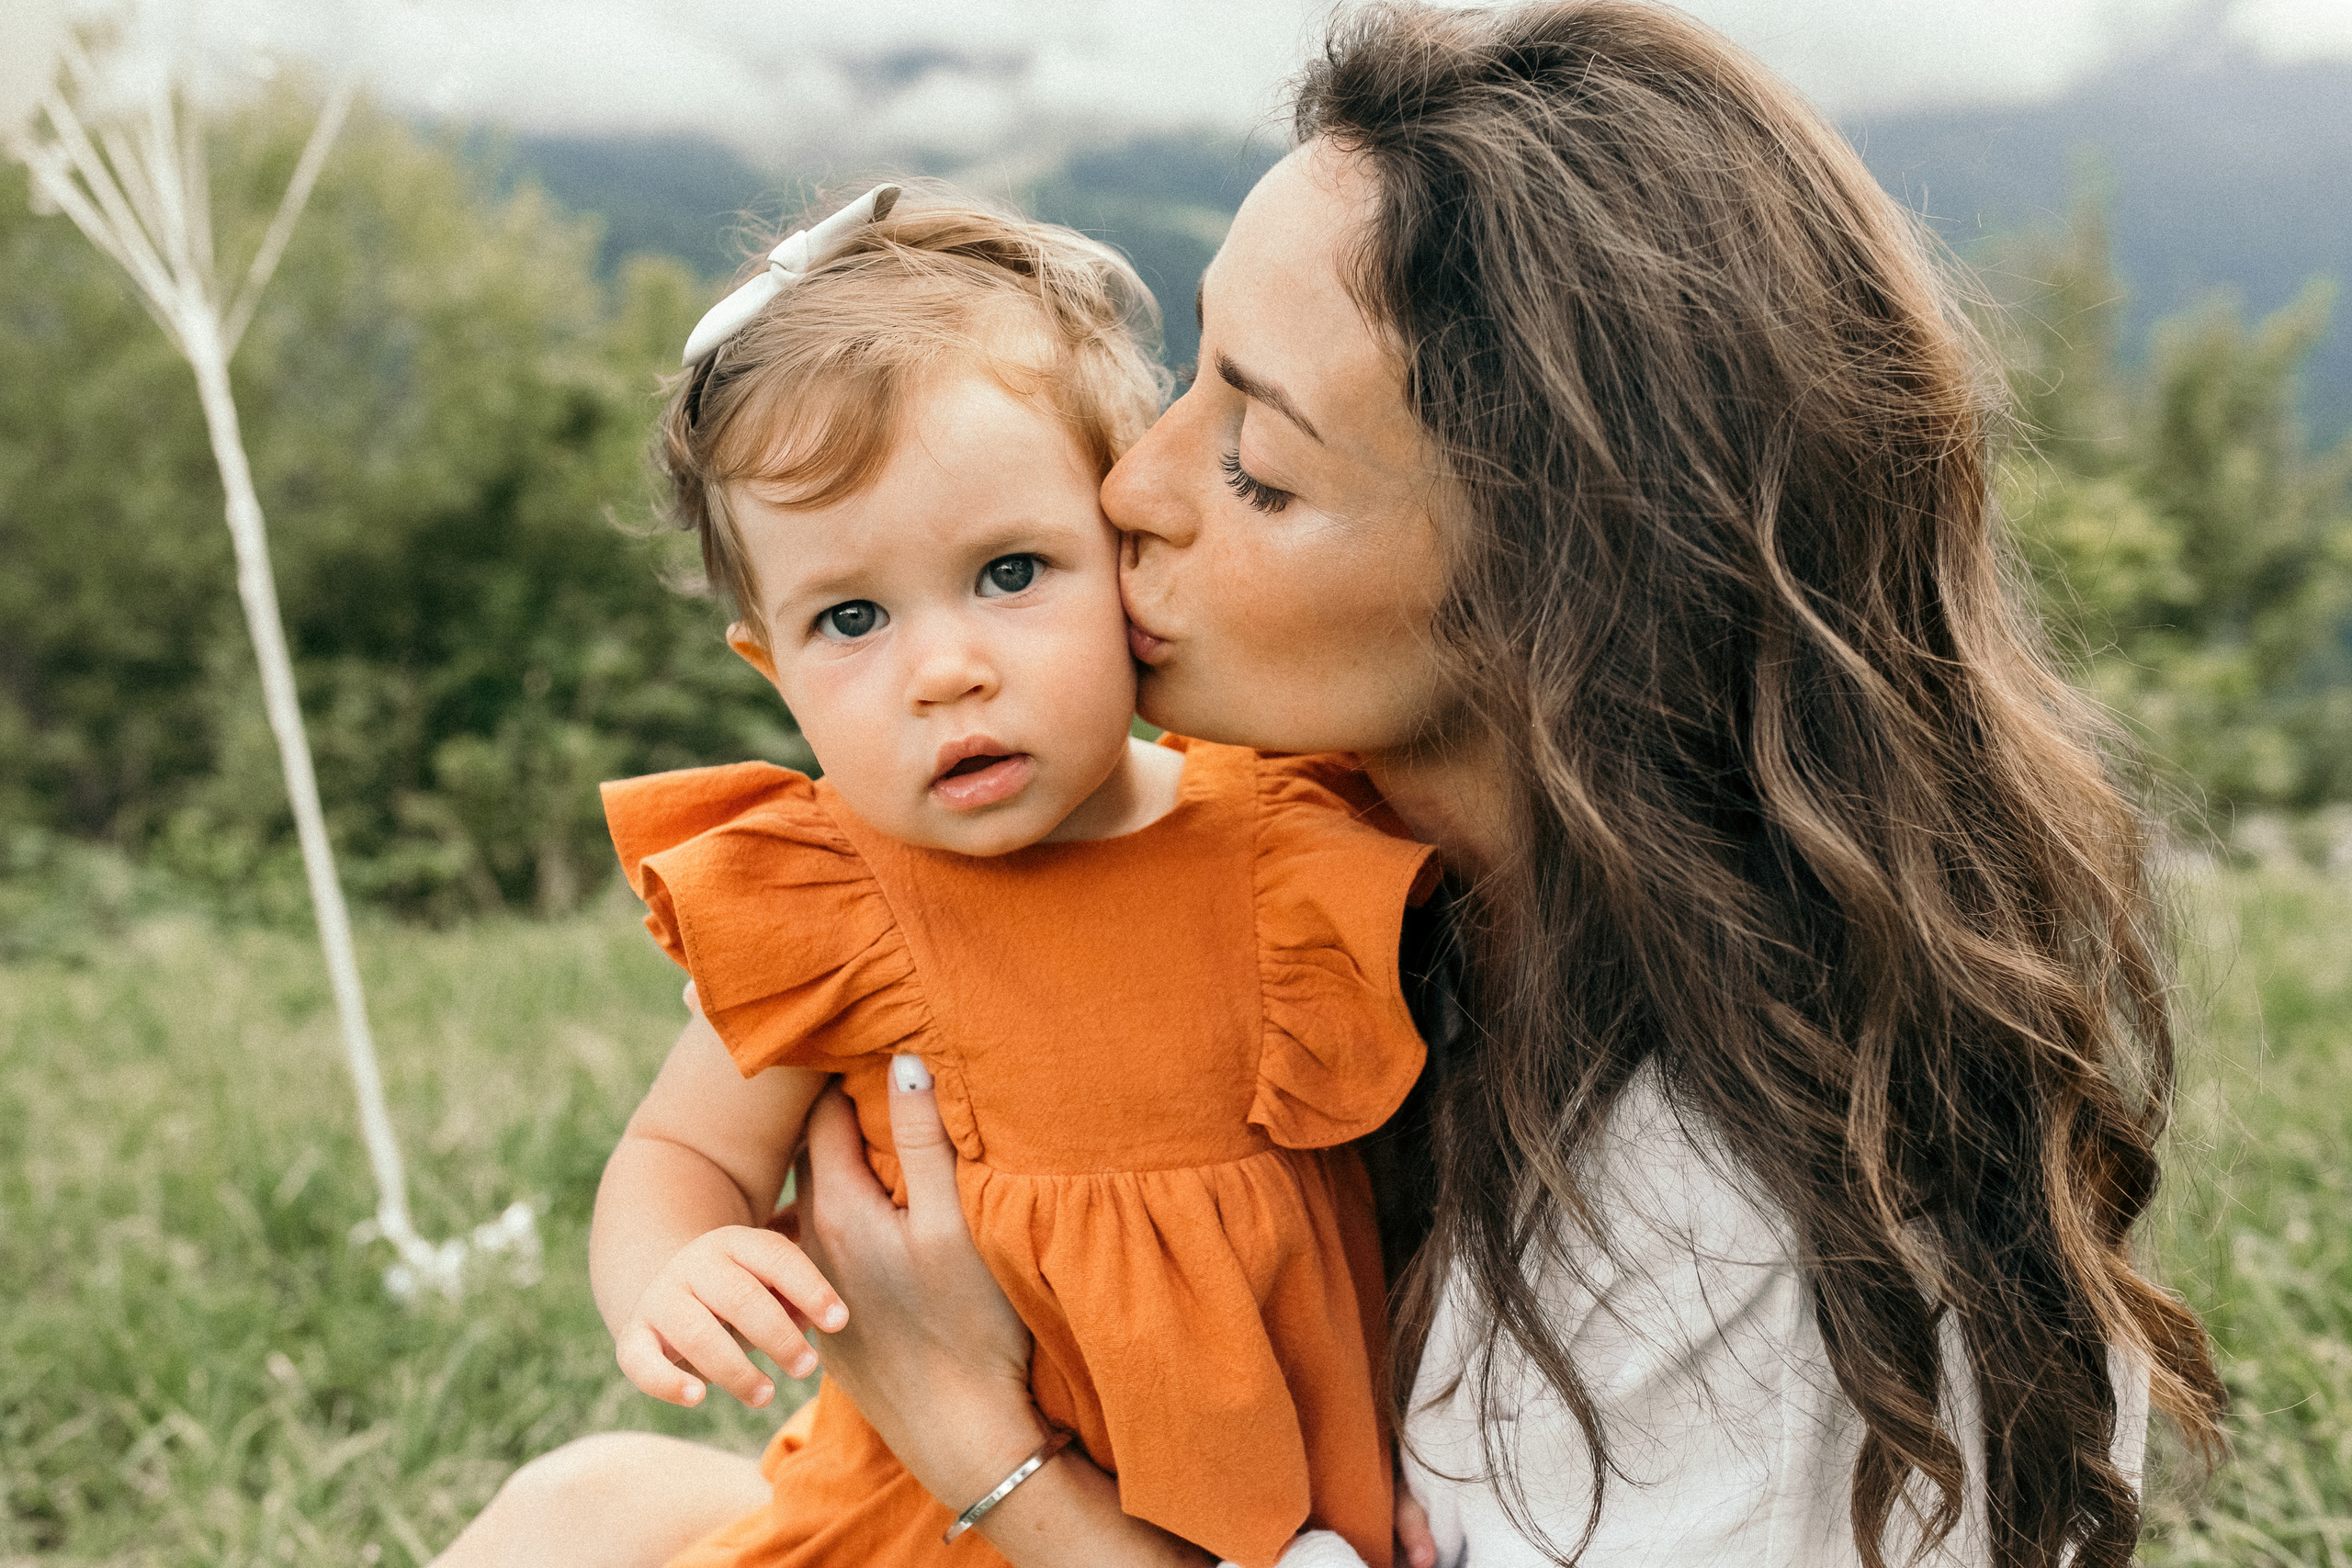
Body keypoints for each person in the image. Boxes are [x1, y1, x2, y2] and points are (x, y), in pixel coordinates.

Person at [436, 5, 2228, 1567]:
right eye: (1187, 372)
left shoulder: (1735, 1225)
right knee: (589, 1503)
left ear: (1550, 590)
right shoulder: (1414, 875)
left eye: (1258, 464)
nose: (1125, 488)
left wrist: (963, 1431)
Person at [509, 184, 1444, 1568]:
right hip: (922, 1527)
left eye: (1012, 572)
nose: (946, 669)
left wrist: (1415, 1430)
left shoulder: (1295, 840)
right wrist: (675, 1266)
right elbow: (682, 1154)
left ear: (1132, 562)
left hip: (1255, 1521)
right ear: (774, 674)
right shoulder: (837, 909)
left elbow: (1411, 1183)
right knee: (570, 1512)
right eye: (851, 619)